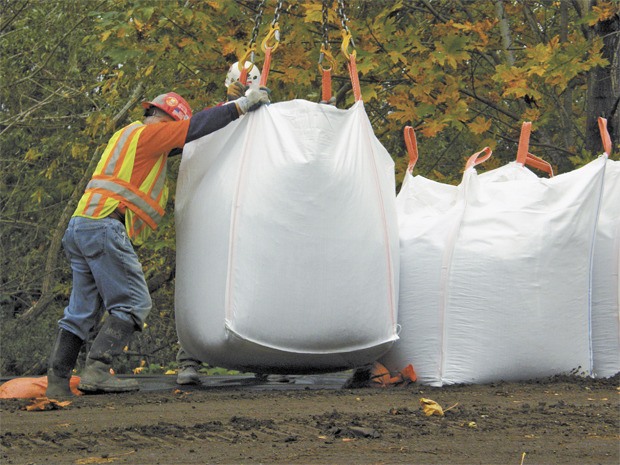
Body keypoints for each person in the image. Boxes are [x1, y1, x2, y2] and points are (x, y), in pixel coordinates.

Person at [45, 79, 270, 398]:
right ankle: (97, 370)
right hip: (106, 226)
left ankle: (57, 380)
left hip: (82, 226)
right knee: (134, 301)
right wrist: (242, 105)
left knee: (81, 308)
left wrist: (229, 106)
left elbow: (193, 135)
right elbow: (194, 128)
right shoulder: (152, 135)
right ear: (168, 119)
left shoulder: (127, 135)